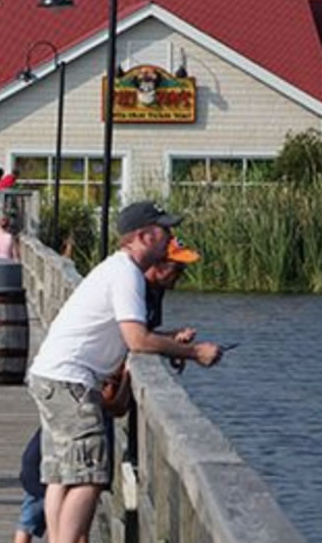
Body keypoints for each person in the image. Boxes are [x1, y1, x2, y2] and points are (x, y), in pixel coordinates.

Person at [26, 201, 223, 543]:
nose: (170, 237)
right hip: (71, 379)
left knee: (61, 473)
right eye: (165, 231)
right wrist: (194, 352)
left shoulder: (116, 268)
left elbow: (131, 335)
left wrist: (167, 340)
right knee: (88, 475)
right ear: (144, 236)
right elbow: (136, 338)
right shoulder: (127, 274)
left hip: (51, 374)